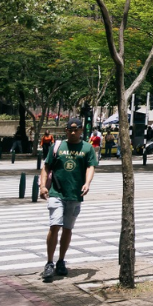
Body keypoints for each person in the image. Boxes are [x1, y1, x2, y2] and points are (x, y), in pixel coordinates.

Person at [39, 117, 97, 282]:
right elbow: (46, 166)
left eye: (76, 129)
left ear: (81, 130)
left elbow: (90, 166)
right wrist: (43, 186)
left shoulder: (87, 148)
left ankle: (61, 261)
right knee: (55, 225)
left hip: (75, 194)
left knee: (67, 228)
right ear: (66, 130)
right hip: (56, 192)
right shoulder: (57, 146)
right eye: (70, 130)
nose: (73, 132)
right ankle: (49, 262)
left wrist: (87, 183)